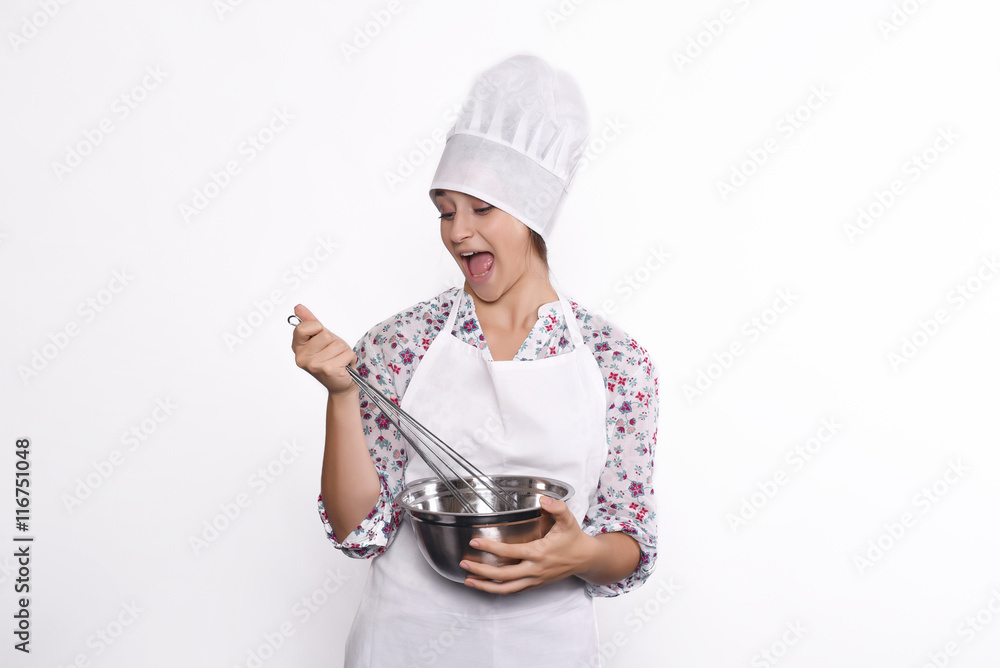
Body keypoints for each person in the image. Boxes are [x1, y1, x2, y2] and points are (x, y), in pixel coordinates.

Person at [290, 54, 659, 667]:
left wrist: (583, 555)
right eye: (445, 210)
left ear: (533, 211)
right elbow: (360, 532)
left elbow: (631, 536)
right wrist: (342, 394)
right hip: (403, 645)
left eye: (482, 208)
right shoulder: (400, 343)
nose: (458, 232)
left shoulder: (614, 360)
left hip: (547, 649)